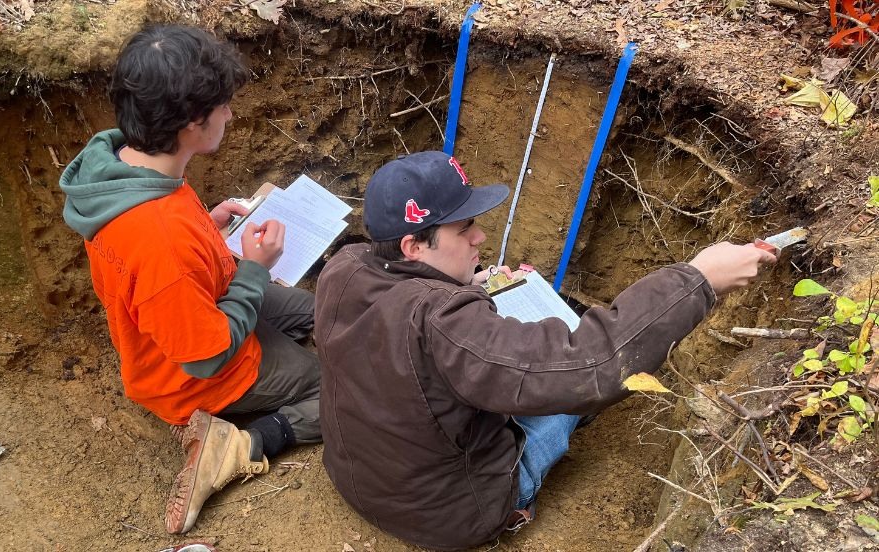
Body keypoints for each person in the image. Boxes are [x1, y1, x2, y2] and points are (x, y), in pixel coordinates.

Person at [313, 151, 777, 550]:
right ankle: (515, 502)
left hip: (360, 478)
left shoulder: (345, 266)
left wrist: (462, 285)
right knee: (565, 400)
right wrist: (699, 279)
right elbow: (591, 362)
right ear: (414, 246)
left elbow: (405, 329)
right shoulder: (444, 323)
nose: (479, 238)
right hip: (452, 514)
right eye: (464, 229)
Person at [59, 25, 321, 535]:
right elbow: (207, 354)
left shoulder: (120, 167)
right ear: (190, 124)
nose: (230, 113)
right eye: (223, 106)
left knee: (324, 311)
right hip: (195, 375)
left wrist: (208, 225)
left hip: (207, 298)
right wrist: (254, 269)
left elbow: (164, 243)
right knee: (345, 393)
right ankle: (241, 443)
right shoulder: (158, 237)